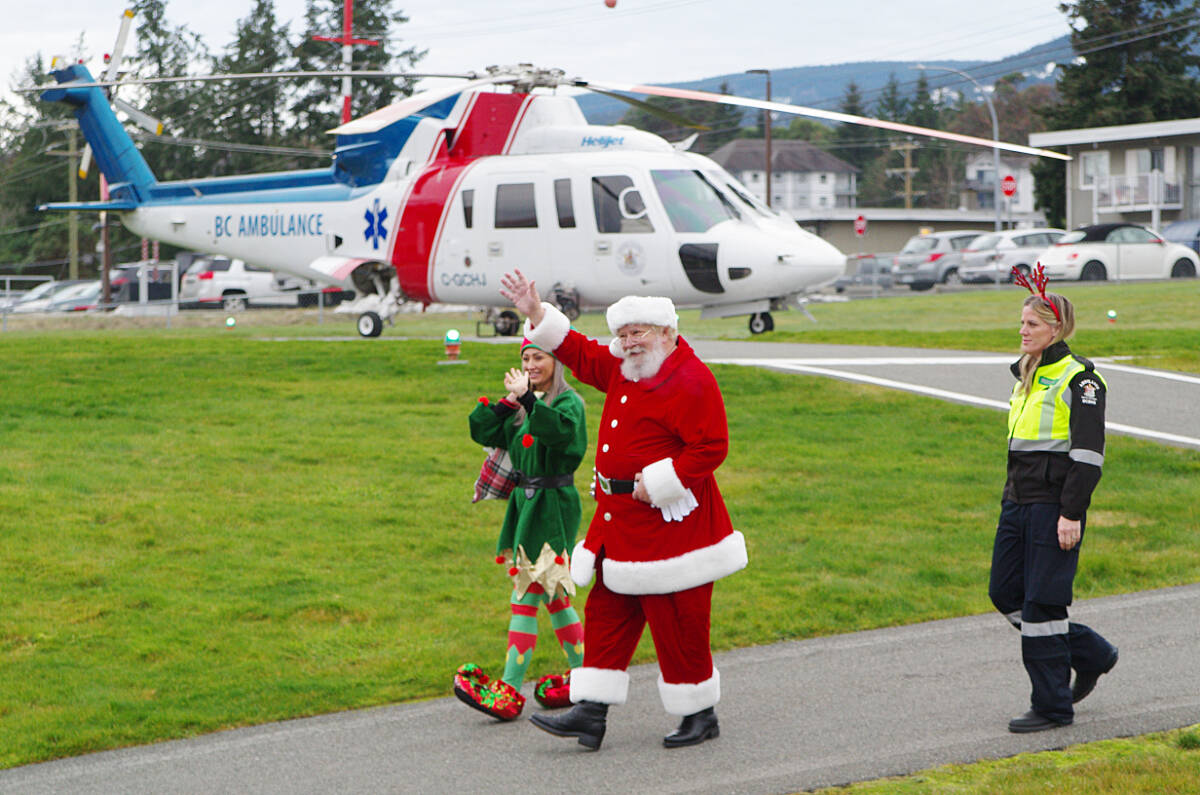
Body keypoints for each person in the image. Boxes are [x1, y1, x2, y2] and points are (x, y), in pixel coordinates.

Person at [500, 269, 747, 751]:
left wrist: (659, 484)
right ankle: (591, 713)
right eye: (624, 334)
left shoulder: (690, 379)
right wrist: (534, 312)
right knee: (608, 613)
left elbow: (711, 447)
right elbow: (577, 350)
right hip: (619, 525)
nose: (630, 342)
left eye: (640, 332)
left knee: (678, 622)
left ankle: (699, 712)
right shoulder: (623, 366)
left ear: (667, 334)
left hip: (673, 530)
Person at [989, 266, 1118, 734]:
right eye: (1022, 323)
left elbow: (1087, 456)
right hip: (1017, 502)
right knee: (1005, 593)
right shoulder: (1026, 374)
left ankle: (1052, 706)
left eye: (1033, 325)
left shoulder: (1080, 380)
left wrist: (1070, 513)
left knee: (1042, 605)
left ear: (1056, 329)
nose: (1023, 332)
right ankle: (1090, 652)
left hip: (1053, 506)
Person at [454, 337, 588, 721]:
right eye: (526, 358)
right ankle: (588, 674)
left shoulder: (567, 403)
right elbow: (481, 431)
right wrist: (508, 404)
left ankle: (510, 690)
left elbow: (560, 435)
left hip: (551, 509)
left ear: (556, 362)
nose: (531, 365)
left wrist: (528, 401)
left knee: (528, 595)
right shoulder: (523, 407)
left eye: (539, 357)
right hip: (525, 509)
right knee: (555, 597)